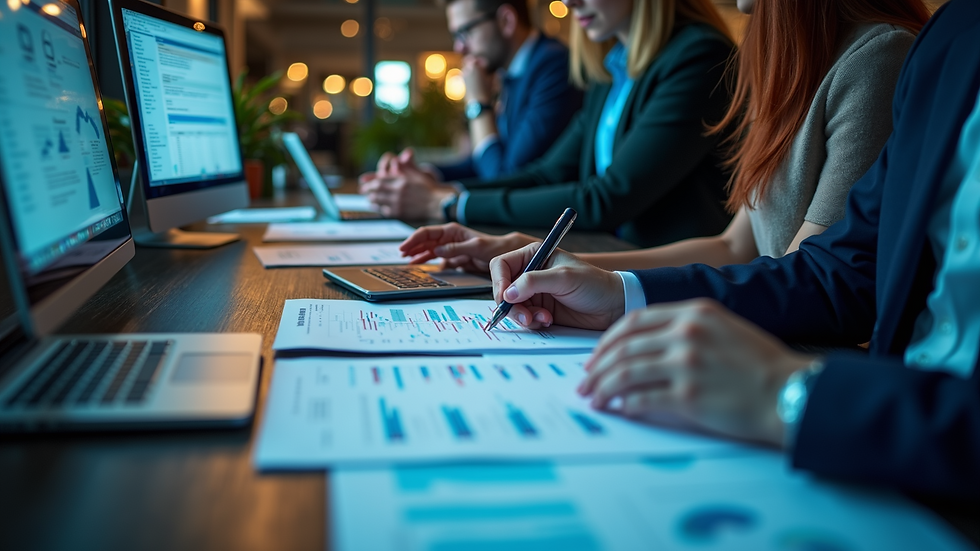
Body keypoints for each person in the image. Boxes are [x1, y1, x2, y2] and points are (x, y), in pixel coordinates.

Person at [485, 0, 980, 498]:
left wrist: (786, 392)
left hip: (878, 417)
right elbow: (740, 245)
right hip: (878, 425)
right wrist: (612, 288)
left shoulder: (880, 55)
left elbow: (815, 283)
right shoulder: (940, 37)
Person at [398, 0, 929, 273]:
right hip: (725, 296)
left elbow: (807, 282)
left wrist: (453, 203)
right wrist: (557, 259)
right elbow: (735, 245)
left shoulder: (870, 58)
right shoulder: (785, 67)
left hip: (782, 339)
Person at [361, 0, 736, 248]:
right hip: (611, 256)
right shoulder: (612, 68)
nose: (569, 1)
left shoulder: (698, 56)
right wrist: (443, 190)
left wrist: (448, 204)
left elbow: (607, 199)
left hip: (673, 279)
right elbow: (547, 173)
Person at [368, 0, 583, 185]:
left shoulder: (554, 67)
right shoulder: (514, 74)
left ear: (506, 21)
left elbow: (504, 178)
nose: (459, 48)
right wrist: (426, 174)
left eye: (465, 32)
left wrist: (478, 104)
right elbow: (486, 161)